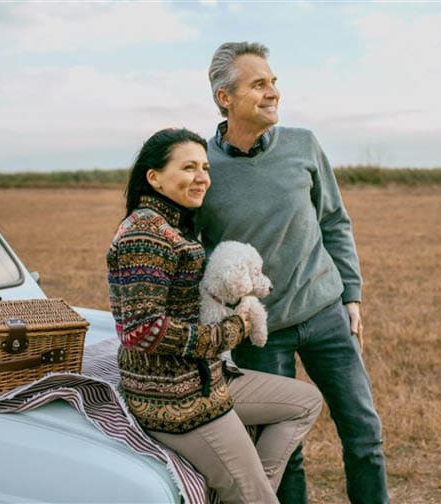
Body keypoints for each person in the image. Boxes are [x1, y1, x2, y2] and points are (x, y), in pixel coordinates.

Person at [196, 42, 390, 504]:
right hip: (260, 334)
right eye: (259, 84)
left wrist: (352, 297)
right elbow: (195, 251)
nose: (273, 92)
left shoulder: (303, 144)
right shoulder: (203, 166)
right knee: (283, 449)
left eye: (274, 82)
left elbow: (334, 222)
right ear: (226, 98)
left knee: (364, 433)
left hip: (325, 315)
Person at [107, 128, 323, 504]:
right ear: (153, 177)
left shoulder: (172, 225)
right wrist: (232, 330)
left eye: (205, 167)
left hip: (206, 380)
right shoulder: (145, 233)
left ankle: (246, 493)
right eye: (188, 167)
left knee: (304, 402)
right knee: (256, 497)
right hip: (176, 401)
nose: (202, 176)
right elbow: (141, 330)